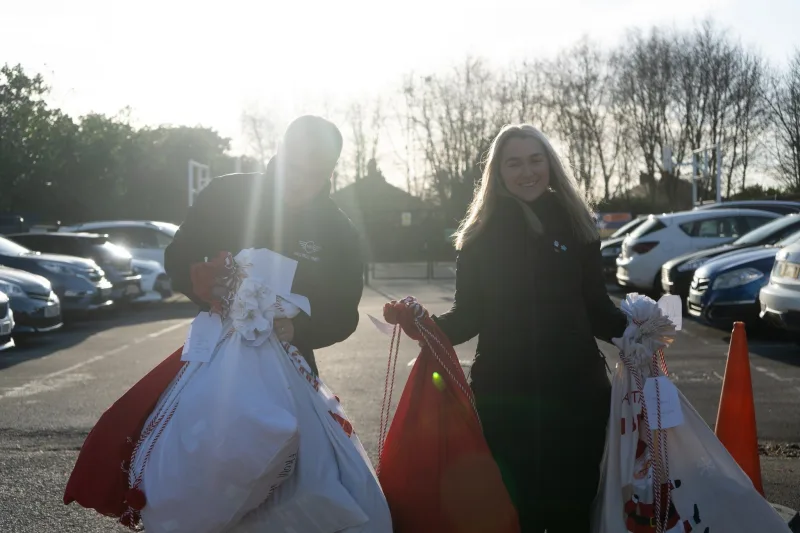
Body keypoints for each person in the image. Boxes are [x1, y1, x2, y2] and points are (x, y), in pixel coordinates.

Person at [432, 124, 627, 533]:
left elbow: (596, 308)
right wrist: (423, 325)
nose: (527, 172)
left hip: (577, 397)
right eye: (514, 163)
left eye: (536, 160)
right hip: (505, 399)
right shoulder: (479, 236)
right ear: (498, 172)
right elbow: (468, 316)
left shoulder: (578, 226)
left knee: (573, 509)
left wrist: (639, 330)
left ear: (550, 165)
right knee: (513, 511)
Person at [165, 115, 364, 376]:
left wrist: (299, 329)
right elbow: (178, 256)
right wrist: (206, 287)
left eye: (313, 175)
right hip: (213, 358)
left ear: (330, 171)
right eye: (292, 168)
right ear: (280, 151)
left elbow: (344, 312)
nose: (298, 182)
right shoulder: (225, 194)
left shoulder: (339, 231)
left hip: (288, 367)